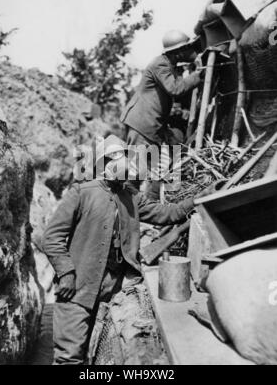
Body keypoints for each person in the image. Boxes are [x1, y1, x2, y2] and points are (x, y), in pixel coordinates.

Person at [42, 135, 212, 365]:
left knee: (99, 353)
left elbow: (166, 213)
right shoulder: (81, 193)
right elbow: (51, 238)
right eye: (117, 158)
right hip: (77, 288)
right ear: (103, 164)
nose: (124, 165)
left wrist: (197, 200)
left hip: (114, 287)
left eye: (125, 158)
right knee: (68, 358)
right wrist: (66, 273)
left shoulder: (131, 196)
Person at [121, 30, 202, 199]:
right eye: (187, 49)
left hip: (150, 125)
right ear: (178, 51)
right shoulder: (161, 65)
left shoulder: (168, 65)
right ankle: (125, 213)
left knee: (155, 169)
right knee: (136, 173)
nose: (190, 52)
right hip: (142, 123)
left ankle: (149, 209)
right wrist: (198, 74)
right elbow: (175, 89)